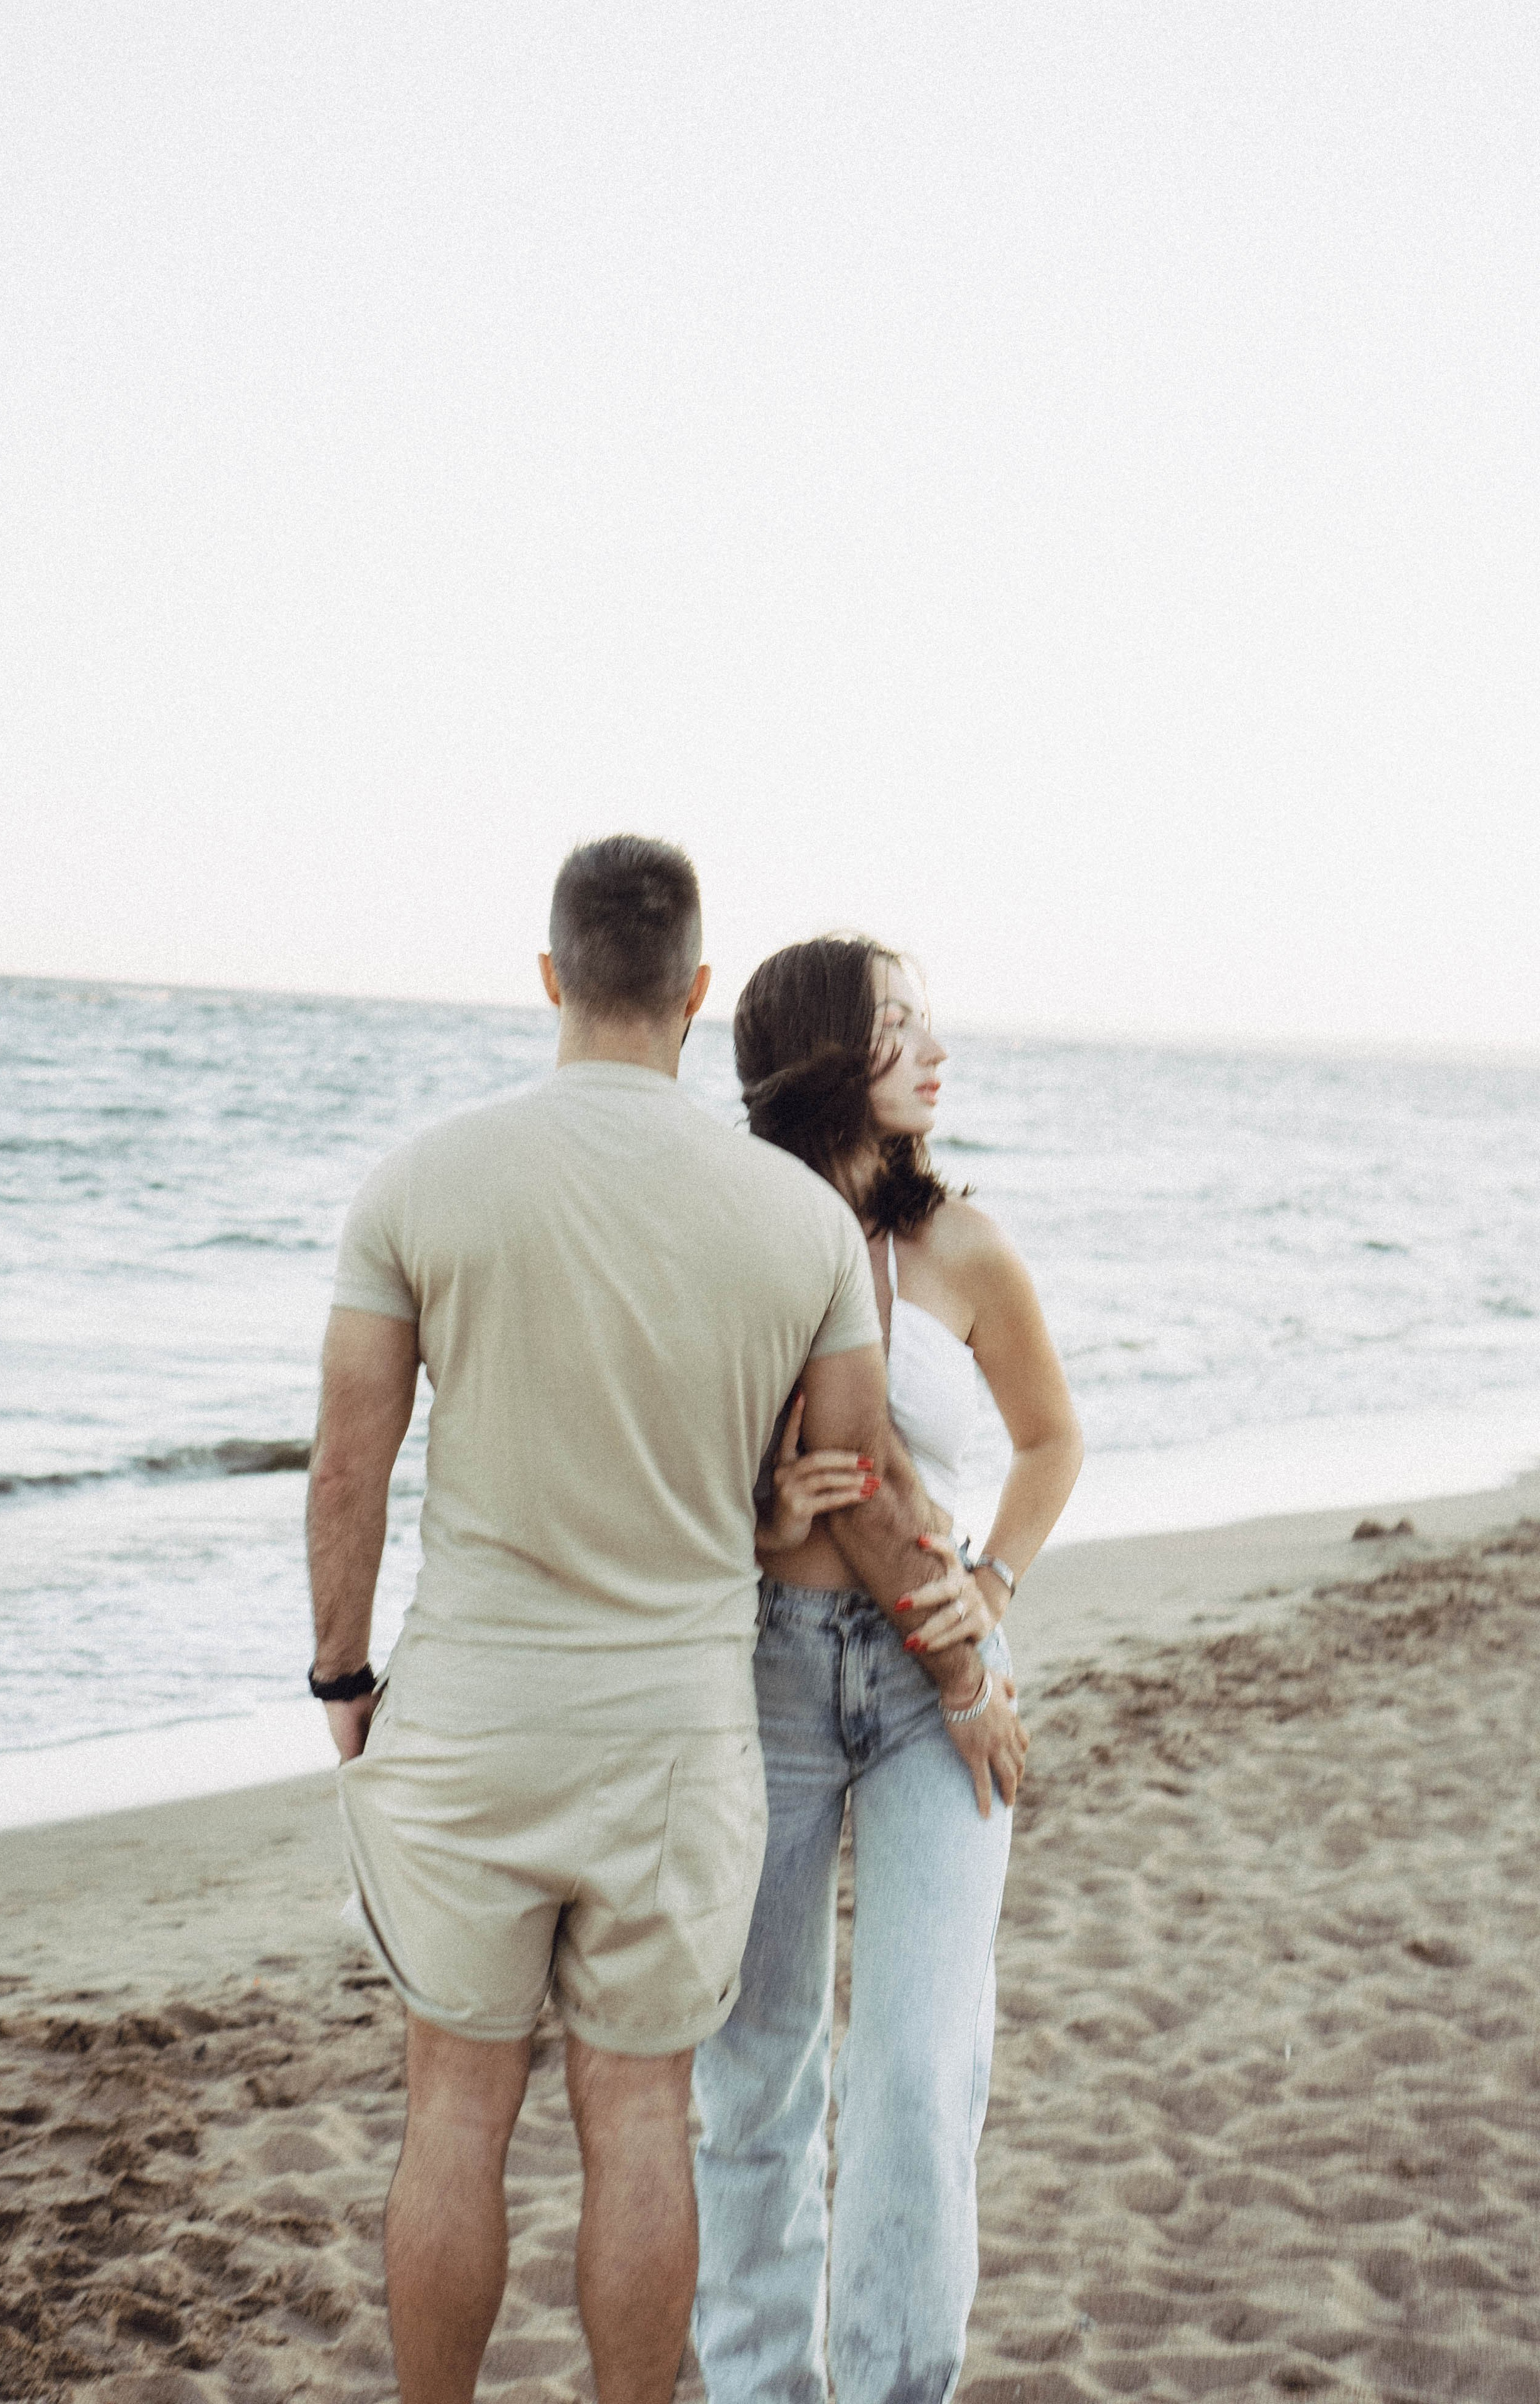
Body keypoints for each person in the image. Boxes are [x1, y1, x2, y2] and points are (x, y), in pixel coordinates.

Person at [304, 840, 988, 2404]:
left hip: (470, 1725)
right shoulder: (796, 1223)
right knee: (637, 2122)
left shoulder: (420, 1179)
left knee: (452, 2113)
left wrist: (344, 1677)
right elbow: (857, 1481)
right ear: (695, 992)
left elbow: (348, 1465)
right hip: (678, 1739)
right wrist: (964, 1647)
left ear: (551, 976)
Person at [693, 934, 1084, 2404]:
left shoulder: (962, 1246)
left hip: (936, 1681)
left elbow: (1050, 1441)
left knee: (918, 2077)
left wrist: (988, 1591)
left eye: (930, 1021)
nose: (934, 1050)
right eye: (897, 1026)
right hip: (766, 1673)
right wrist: (754, 1516)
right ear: (817, 1055)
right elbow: (669, 1464)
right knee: (754, 2078)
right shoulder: (736, 1241)